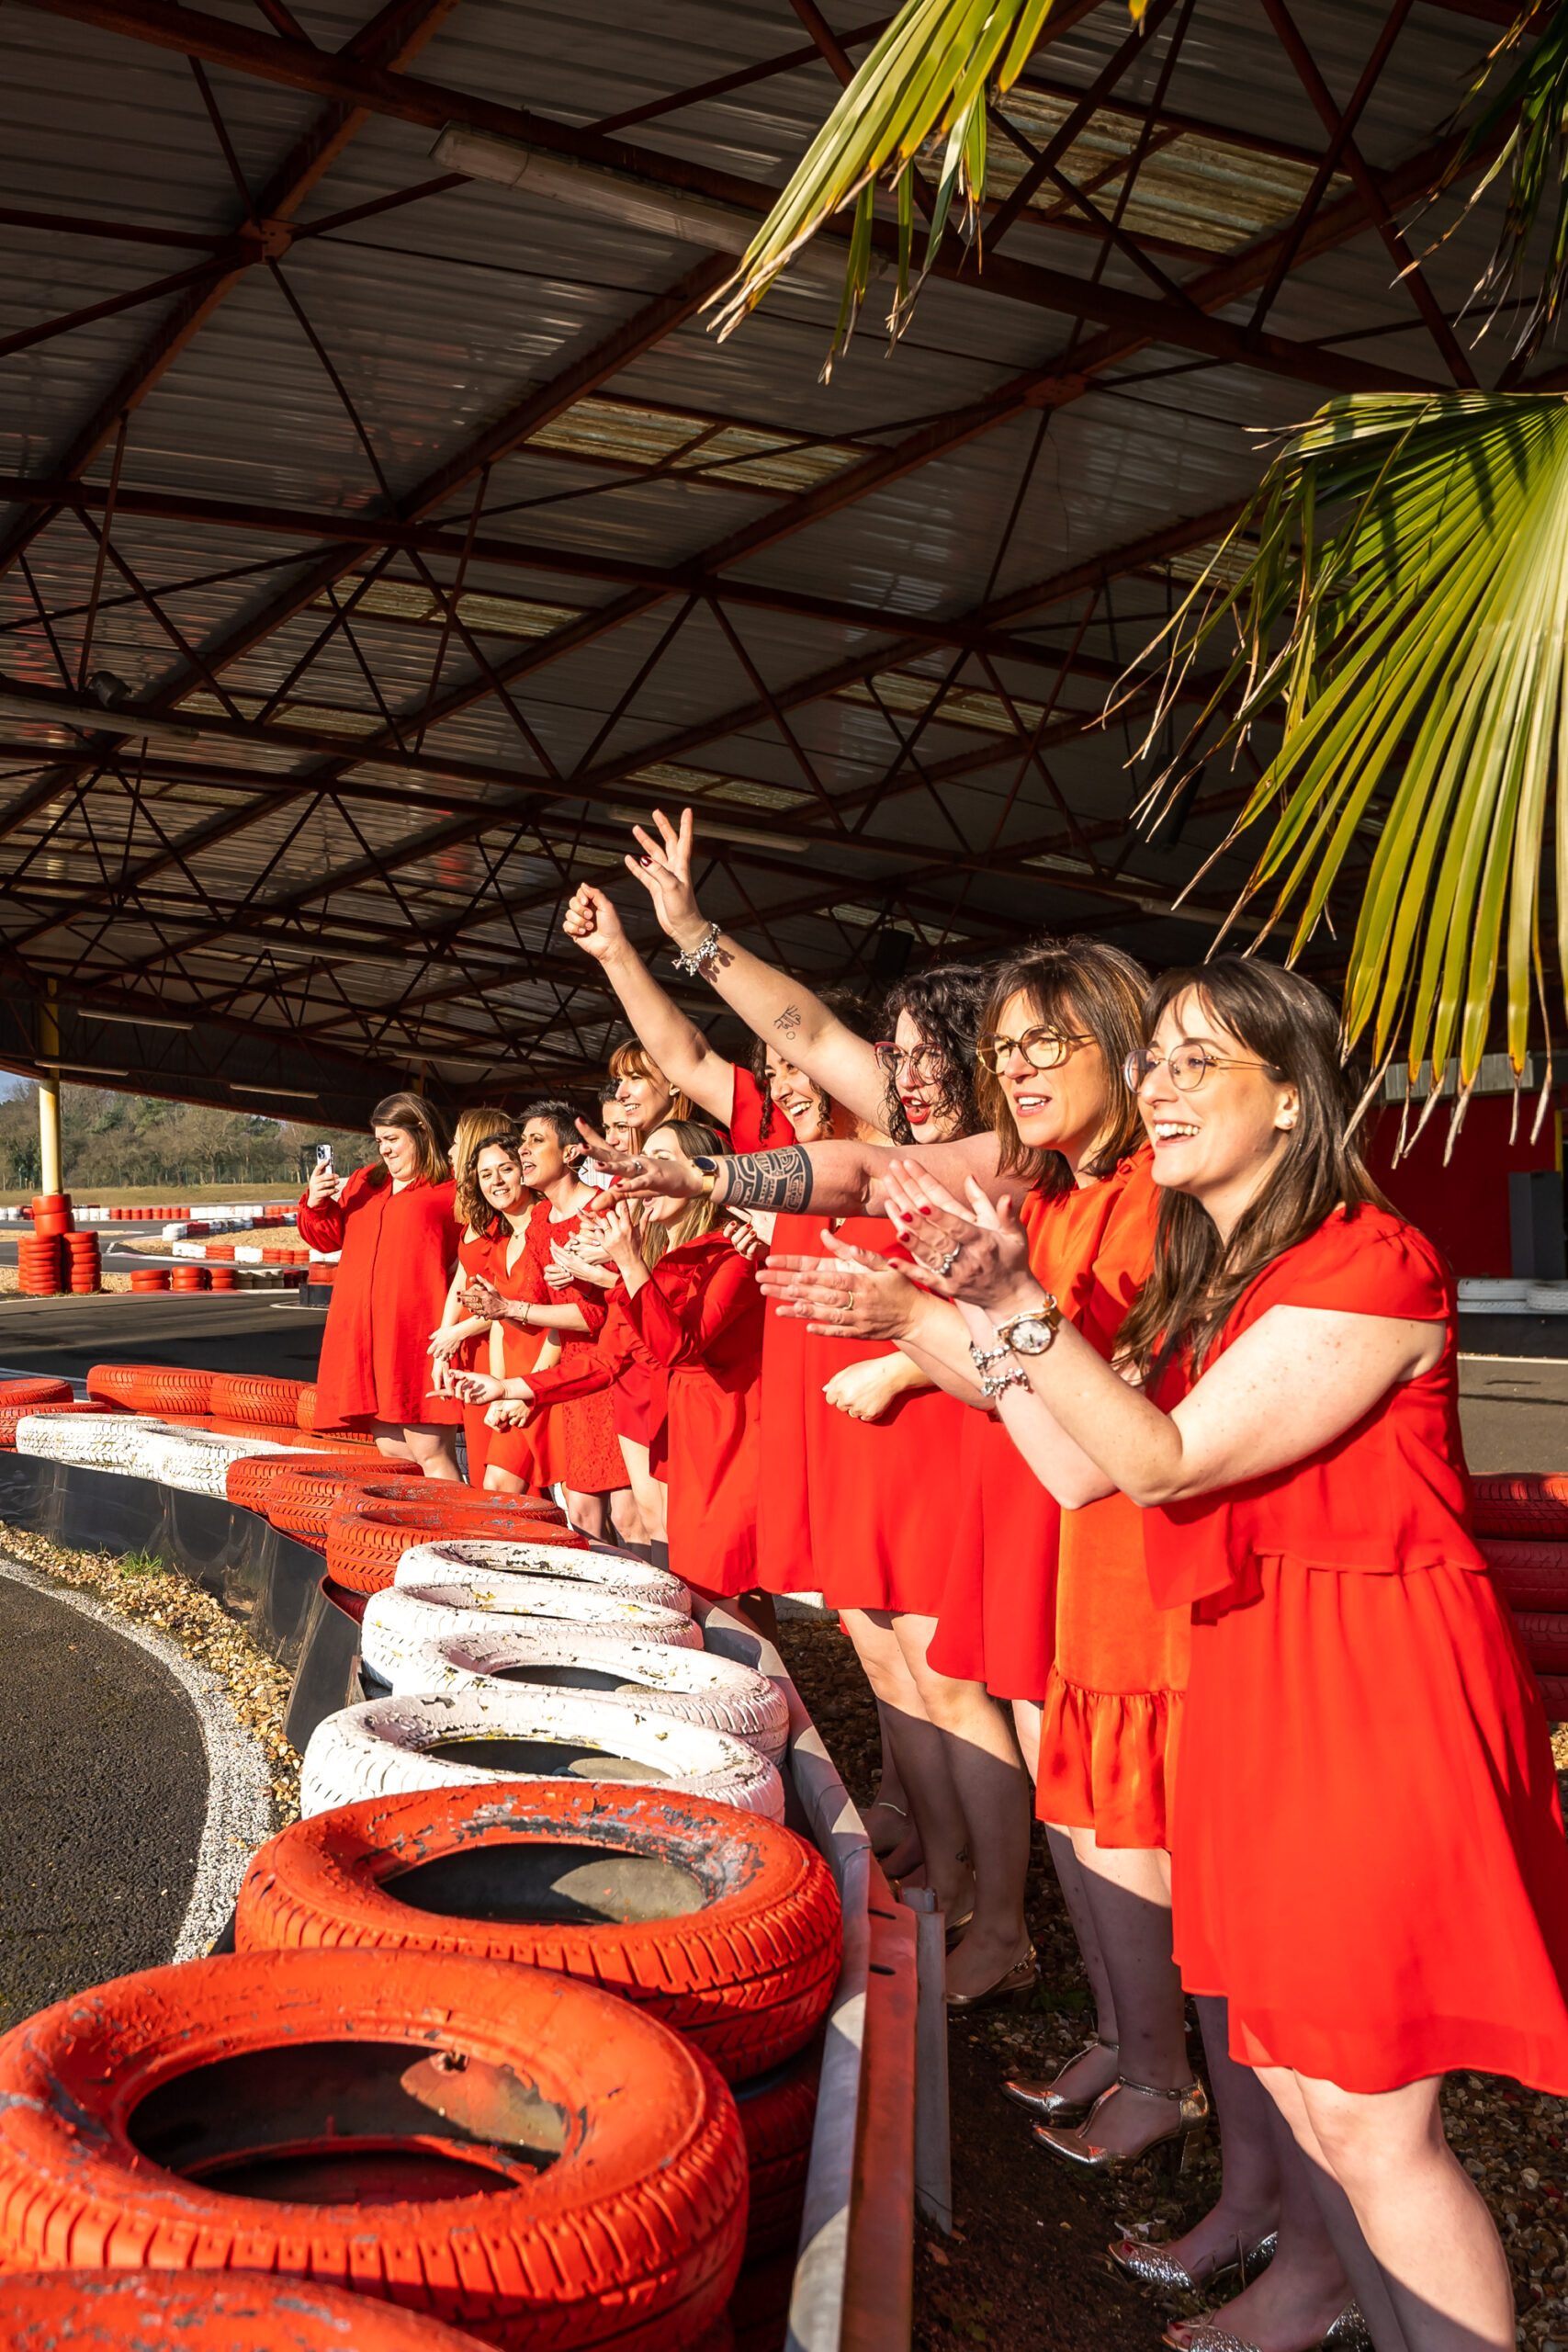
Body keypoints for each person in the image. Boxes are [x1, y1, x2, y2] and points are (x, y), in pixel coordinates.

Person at [879, 956, 1568, 2352]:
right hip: (1262, 1690)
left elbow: (1166, 1458)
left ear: (1293, 1104)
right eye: (1158, 1061)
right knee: (1314, 2093)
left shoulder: (1365, 1262)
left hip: (1366, 1708)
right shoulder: (1226, 1283)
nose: (1160, 1084)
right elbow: (1077, 1472)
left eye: (1201, 1062)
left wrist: (1008, 1308)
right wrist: (973, 1320)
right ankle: (1348, 2313)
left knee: (1373, 2120)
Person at [457, 1119, 772, 1631]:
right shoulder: (663, 1261)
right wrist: (513, 1387)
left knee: (730, 1588)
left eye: (661, 1161)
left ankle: (773, 1703)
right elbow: (609, 1357)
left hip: (726, 1441)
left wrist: (625, 1262)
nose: (647, 1174)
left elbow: (678, 1348)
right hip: (679, 1437)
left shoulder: (730, 1253)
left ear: (699, 1175)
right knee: (702, 1581)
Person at [459, 1101, 626, 1539]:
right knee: (585, 1515)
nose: (526, 1152)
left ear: (571, 1154)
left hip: (615, 1369)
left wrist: (510, 1312)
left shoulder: (602, 1210)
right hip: (567, 1373)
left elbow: (595, 1315)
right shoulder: (538, 1220)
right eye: (524, 1142)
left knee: (630, 1517)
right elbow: (536, 1315)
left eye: (536, 1141)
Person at [297, 1091, 463, 1477]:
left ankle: (456, 1531)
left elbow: (479, 1257)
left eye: (392, 1139)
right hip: (364, 1337)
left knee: (432, 1452)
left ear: (421, 1131)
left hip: (417, 1335)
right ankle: (416, 1534)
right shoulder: (364, 1182)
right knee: (393, 1455)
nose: (384, 1150)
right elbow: (326, 1238)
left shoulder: (453, 1190)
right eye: (379, 1141)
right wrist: (317, 1201)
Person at [429, 1123, 558, 1491]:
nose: (496, 1181)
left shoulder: (548, 1225)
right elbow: (500, 1325)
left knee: (584, 1510)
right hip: (515, 1384)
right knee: (501, 1491)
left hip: (549, 1381)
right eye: (486, 1174)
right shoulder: (502, 1241)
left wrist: (530, 1390)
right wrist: (502, 1391)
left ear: (525, 1170)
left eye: (506, 1169)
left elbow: (566, 1320)